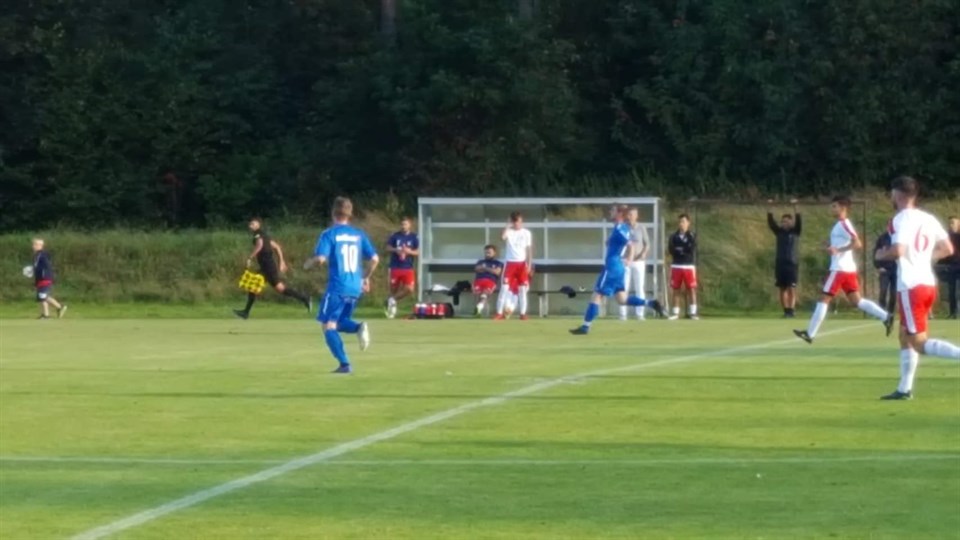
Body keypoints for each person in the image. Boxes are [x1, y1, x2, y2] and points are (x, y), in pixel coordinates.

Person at [875, 176, 960, 400]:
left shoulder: (901, 218)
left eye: (892, 192)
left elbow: (898, 251)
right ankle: (904, 389)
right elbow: (948, 248)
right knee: (905, 335)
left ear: (897, 194)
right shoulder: (928, 218)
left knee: (918, 342)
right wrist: (924, 260)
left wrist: (881, 254)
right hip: (927, 283)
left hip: (911, 286)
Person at [793, 196, 892, 344]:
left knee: (824, 298)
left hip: (839, 269)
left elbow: (857, 243)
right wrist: (830, 246)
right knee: (857, 300)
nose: (831, 209)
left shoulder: (844, 224)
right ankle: (886, 317)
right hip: (847, 269)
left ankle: (810, 334)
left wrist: (838, 250)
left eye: (834, 206)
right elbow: (844, 243)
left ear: (843, 208)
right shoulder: (840, 225)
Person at [303, 197, 379, 374]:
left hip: (338, 286)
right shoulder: (358, 234)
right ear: (350, 214)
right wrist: (364, 278)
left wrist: (308, 263)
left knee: (327, 325)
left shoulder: (329, 234)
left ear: (333, 213)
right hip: (354, 287)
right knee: (338, 322)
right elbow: (375, 259)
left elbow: (321, 258)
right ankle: (358, 328)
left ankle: (345, 364)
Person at [569, 205, 664, 335]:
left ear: (620, 214)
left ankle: (585, 327)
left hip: (612, 267)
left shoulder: (620, 228)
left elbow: (631, 245)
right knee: (622, 299)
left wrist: (629, 259)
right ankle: (651, 303)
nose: (610, 212)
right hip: (618, 267)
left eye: (613, 210)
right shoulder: (621, 228)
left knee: (597, 295)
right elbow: (623, 242)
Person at [234, 218, 312, 319]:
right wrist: (281, 261)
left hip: (268, 267)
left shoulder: (258, 235)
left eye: (253, 224)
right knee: (253, 286)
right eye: (250, 224)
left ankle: (305, 298)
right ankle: (245, 312)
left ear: (258, 226)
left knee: (281, 289)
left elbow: (260, 245)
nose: (250, 225)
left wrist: (250, 257)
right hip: (266, 267)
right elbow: (277, 247)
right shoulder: (265, 235)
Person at [767, 200, 802, 317]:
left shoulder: (795, 231)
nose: (784, 223)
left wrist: (795, 206)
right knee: (782, 288)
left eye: (787, 221)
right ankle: (786, 311)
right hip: (780, 263)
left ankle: (791, 310)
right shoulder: (779, 232)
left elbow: (799, 219)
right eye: (782, 222)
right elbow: (770, 222)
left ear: (791, 222)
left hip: (792, 263)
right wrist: (771, 206)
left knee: (791, 288)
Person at [495, 212, 533, 320]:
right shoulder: (509, 232)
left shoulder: (526, 233)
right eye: (515, 221)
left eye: (519, 221)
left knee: (522, 290)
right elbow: (502, 237)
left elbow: (529, 249)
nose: (517, 224)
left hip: (522, 264)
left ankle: (523, 314)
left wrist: (529, 264)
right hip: (510, 264)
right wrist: (507, 225)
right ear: (512, 222)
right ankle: (499, 313)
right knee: (504, 289)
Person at [384, 217, 420, 319]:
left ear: (410, 225)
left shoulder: (414, 237)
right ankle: (391, 311)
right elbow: (387, 247)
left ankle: (392, 300)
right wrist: (396, 250)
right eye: (402, 224)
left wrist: (409, 252)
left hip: (408, 267)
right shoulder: (395, 236)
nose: (403, 226)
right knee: (393, 290)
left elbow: (418, 252)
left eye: (405, 224)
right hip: (395, 267)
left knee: (410, 289)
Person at [620, 208, 651, 321]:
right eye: (629, 214)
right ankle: (623, 314)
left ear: (636, 216)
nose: (630, 217)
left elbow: (647, 244)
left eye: (632, 214)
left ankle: (640, 313)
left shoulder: (641, 228)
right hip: (626, 261)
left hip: (639, 262)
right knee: (624, 287)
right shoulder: (623, 227)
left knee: (639, 288)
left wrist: (643, 253)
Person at [668, 214, 698, 320]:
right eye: (680, 222)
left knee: (691, 289)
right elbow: (671, 249)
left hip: (688, 266)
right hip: (676, 265)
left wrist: (680, 249)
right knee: (676, 289)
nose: (681, 224)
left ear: (688, 223)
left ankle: (693, 313)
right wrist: (681, 250)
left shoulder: (692, 235)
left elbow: (690, 249)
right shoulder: (673, 236)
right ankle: (675, 313)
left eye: (683, 222)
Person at [31, 238, 67, 319]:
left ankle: (57, 308)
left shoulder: (43, 255)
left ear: (40, 245)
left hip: (45, 278)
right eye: (33, 244)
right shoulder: (37, 255)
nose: (33, 246)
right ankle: (48, 313)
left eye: (35, 244)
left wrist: (43, 274)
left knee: (42, 296)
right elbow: (37, 267)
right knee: (42, 297)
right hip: (40, 279)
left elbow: (46, 266)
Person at [937, 216, 960, 319]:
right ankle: (953, 312)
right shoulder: (947, 238)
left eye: (953, 223)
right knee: (951, 291)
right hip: (951, 267)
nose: (951, 225)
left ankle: (957, 312)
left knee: (958, 291)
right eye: (950, 223)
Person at [473, 245, 504, 316]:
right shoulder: (480, 261)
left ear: (494, 253)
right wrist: (491, 270)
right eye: (486, 252)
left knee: (485, 293)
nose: (487, 254)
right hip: (478, 280)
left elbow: (497, 272)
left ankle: (479, 308)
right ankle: (478, 310)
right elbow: (477, 269)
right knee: (478, 294)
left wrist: (484, 268)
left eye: (489, 252)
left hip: (490, 281)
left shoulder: (498, 263)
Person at [873, 230, 898, 315]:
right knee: (883, 291)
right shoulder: (882, 238)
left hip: (896, 270)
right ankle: (882, 313)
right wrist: (878, 266)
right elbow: (875, 252)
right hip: (884, 269)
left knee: (894, 293)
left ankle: (891, 313)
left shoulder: (898, 237)